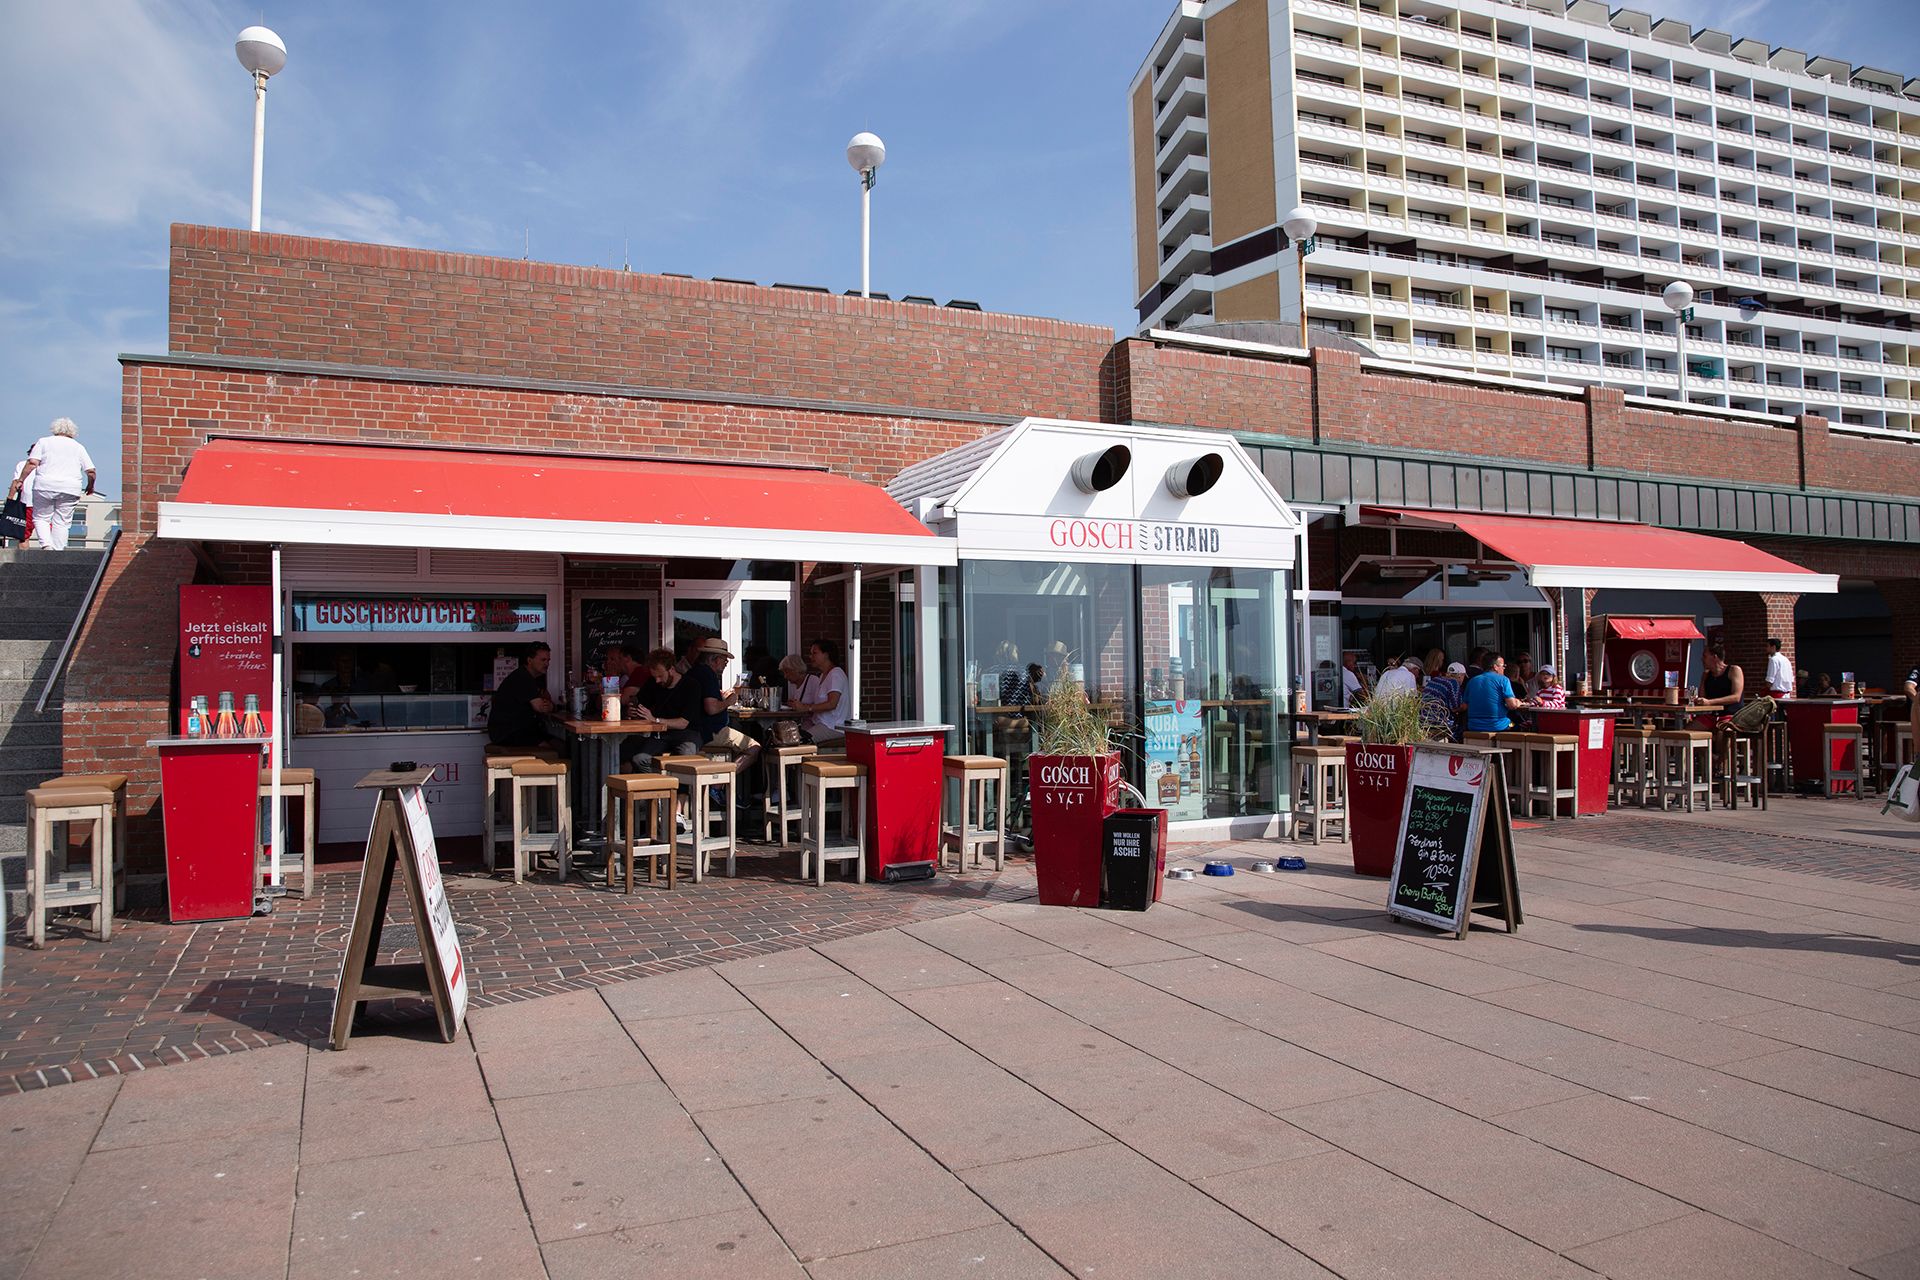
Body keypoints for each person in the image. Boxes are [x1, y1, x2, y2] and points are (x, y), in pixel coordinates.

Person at [685, 637, 764, 798]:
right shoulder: (708, 675)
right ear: (713, 659)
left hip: (693, 731)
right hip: (710, 731)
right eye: (724, 659)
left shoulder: (693, 672)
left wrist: (720, 697)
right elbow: (711, 708)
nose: (726, 662)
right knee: (754, 747)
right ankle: (717, 785)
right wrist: (729, 701)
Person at [14, 418, 95, 552]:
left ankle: (47, 545)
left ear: (54, 429)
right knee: (62, 521)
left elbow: (32, 463)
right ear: (73, 431)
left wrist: (21, 480)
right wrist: (90, 485)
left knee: (41, 517)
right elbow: (91, 471)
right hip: (70, 488)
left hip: (45, 485)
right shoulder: (78, 447)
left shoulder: (43, 442)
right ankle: (58, 550)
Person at [629, 646, 704, 766]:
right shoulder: (652, 683)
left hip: (687, 734)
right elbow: (640, 704)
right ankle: (658, 778)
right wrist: (633, 711)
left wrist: (655, 720)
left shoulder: (691, 686)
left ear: (671, 669)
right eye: (655, 677)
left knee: (686, 754)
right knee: (640, 758)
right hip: (660, 736)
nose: (657, 681)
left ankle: (676, 778)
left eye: (660, 676)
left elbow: (683, 723)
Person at [488, 642, 557, 747]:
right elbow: (541, 707)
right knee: (552, 748)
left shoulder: (535, 679)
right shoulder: (522, 678)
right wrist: (551, 706)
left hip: (521, 729)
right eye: (543, 660)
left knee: (560, 745)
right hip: (508, 732)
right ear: (529, 660)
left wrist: (550, 705)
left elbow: (546, 699)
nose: (547, 664)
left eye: (548, 660)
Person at [795, 637, 850, 745]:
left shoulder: (836, 674)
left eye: (814, 653)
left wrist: (807, 707)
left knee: (798, 741)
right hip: (820, 723)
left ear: (826, 654)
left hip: (833, 726)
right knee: (789, 736)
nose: (810, 656)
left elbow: (832, 704)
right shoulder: (822, 676)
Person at [1465, 652, 1526, 733]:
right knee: (1518, 725)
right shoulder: (1503, 680)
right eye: (1503, 666)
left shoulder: (1472, 681)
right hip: (1499, 725)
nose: (1504, 668)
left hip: (1473, 726)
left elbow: (1465, 705)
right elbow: (1512, 705)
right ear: (1495, 667)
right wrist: (1518, 702)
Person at [1421, 661, 1467, 742]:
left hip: (1423, 720)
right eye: (1464, 676)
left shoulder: (1435, 679)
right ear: (1460, 676)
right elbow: (1455, 708)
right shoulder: (1453, 683)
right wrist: (1466, 706)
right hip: (1438, 723)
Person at [1698, 645, 1744, 709]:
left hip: (1731, 713)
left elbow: (1736, 697)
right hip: (1711, 713)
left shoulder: (1734, 670)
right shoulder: (1706, 674)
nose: (1702, 659)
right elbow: (1702, 697)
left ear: (1715, 657)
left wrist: (1710, 702)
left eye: (1704, 656)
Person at [7, 453, 35, 547]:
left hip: (28, 502)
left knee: (24, 536)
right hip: (46, 503)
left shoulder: (22, 464)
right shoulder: (50, 465)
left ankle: (23, 555)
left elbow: (16, 482)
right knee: (49, 533)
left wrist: (10, 499)